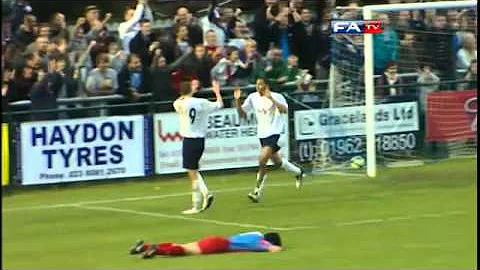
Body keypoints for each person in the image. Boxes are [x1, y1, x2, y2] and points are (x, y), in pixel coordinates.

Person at [234, 78, 305, 203]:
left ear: (266, 86)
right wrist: (238, 101)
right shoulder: (253, 97)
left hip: (276, 133)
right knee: (277, 161)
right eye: (256, 84)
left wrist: (271, 98)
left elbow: (284, 110)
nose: (258, 87)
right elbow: (242, 114)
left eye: (260, 84)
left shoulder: (277, 96)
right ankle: (298, 172)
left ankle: (257, 191)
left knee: (262, 159)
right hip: (263, 134)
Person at [173, 80, 223, 214]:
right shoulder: (201, 102)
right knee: (194, 169)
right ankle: (202, 196)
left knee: (192, 172)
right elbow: (219, 105)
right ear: (191, 90)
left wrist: (186, 93)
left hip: (189, 140)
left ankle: (199, 200)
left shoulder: (178, 103)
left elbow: (179, 102)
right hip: (200, 140)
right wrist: (217, 92)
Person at [129, 231, 282, 259]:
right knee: (185, 251)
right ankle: (156, 250)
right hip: (219, 245)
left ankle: (146, 247)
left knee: (184, 246)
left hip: (218, 240)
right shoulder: (261, 242)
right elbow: (274, 249)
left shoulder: (254, 234)